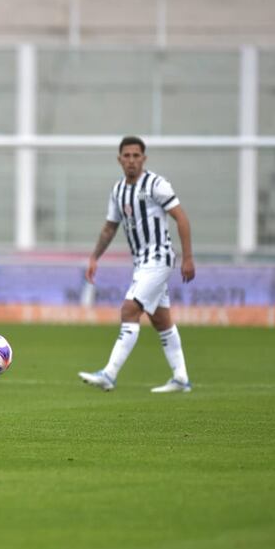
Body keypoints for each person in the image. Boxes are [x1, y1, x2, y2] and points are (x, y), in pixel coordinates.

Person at [78, 136, 195, 393]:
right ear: (119, 159)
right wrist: (95, 257)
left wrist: (187, 258)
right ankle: (181, 378)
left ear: (144, 159)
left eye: (136, 155)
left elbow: (181, 218)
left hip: (160, 258)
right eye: (127, 156)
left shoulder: (156, 185)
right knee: (161, 320)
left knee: (130, 310)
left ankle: (109, 374)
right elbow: (110, 227)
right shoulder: (118, 190)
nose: (131, 160)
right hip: (142, 263)